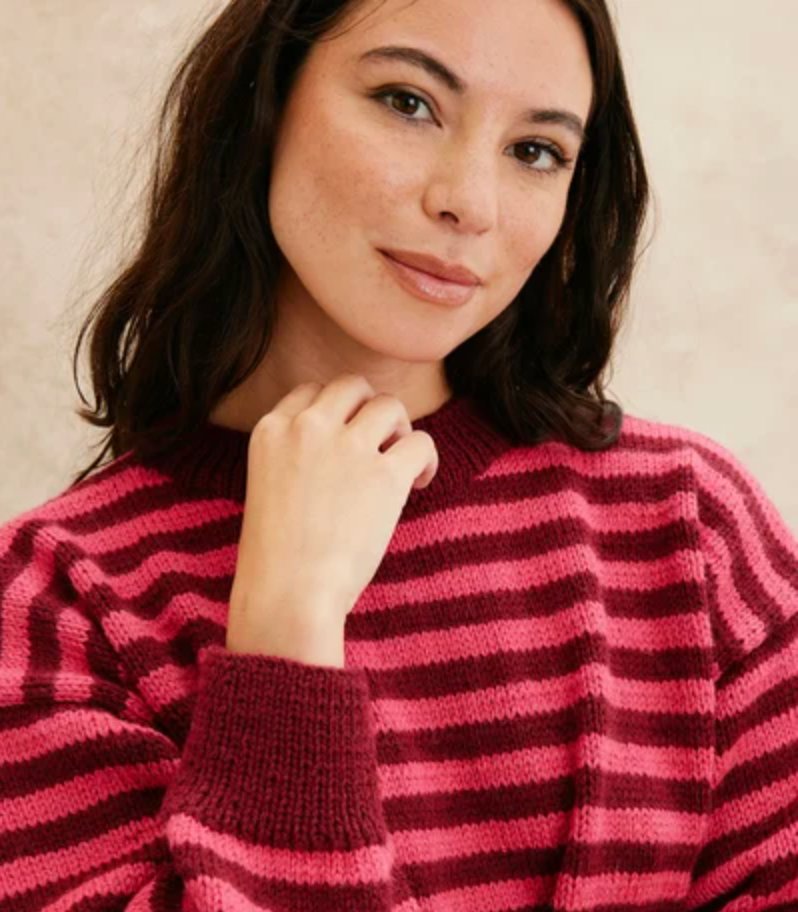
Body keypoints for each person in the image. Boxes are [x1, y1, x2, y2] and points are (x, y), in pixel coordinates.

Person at [1, 0, 796, 908]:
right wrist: (285, 639)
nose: (470, 202)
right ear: (265, 99)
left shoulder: (687, 532)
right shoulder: (55, 605)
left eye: (536, 151)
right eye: (408, 102)